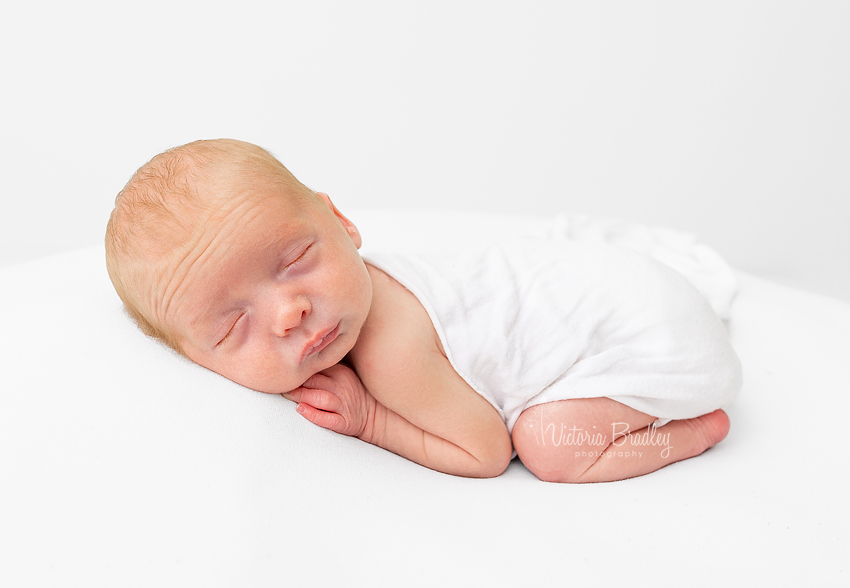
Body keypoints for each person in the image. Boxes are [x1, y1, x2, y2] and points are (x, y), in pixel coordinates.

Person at [105, 139, 741, 483]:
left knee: (549, 448)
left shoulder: (390, 348)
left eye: (296, 259)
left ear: (343, 223)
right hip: (631, 294)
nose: (290, 312)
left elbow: (485, 451)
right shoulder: (356, 299)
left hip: (657, 340)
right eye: (235, 326)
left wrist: (372, 421)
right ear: (195, 359)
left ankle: (691, 431)